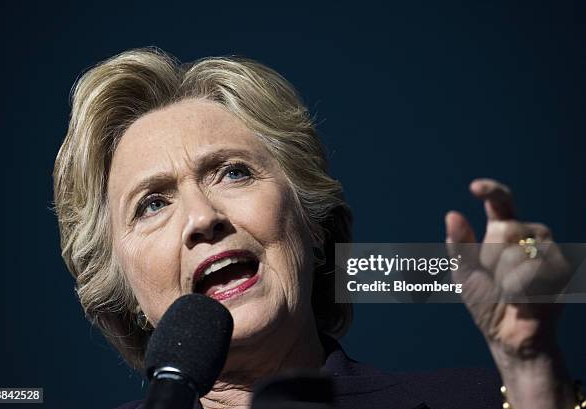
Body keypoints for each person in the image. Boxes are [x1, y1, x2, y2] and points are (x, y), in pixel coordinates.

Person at [53, 47, 581, 409]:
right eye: (151, 204)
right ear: (118, 288)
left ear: (312, 221)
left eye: (234, 172)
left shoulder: (486, 401)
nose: (202, 218)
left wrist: (531, 370)